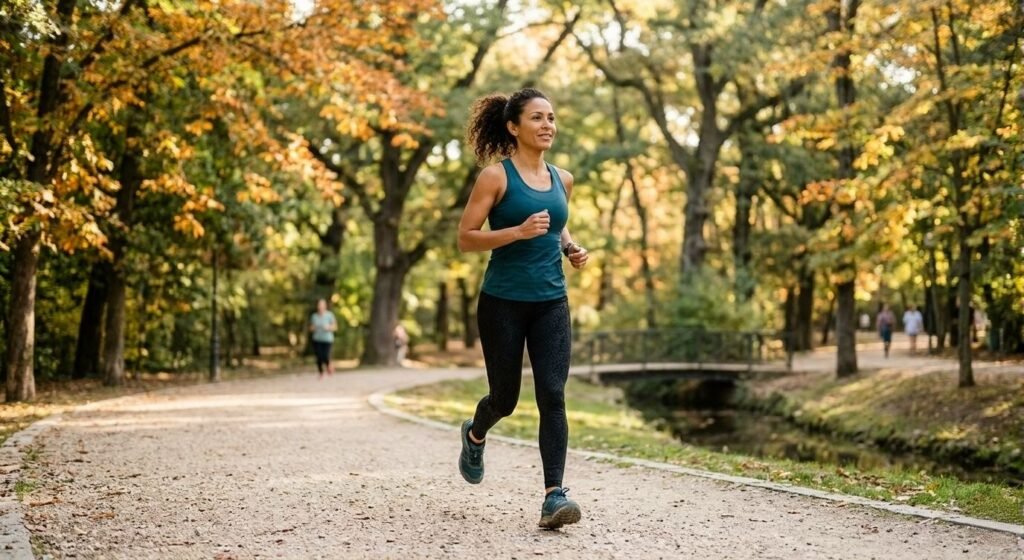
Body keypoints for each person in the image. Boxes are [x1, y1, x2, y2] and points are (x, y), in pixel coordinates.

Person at [455, 87, 589, 530]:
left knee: (552, 393)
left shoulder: (563, 179)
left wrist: (570, 247)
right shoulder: (495, 177)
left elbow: (556, 227)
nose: (547, 125)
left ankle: (554, 496)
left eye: (551, 117)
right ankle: (475, 433)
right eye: (537, 117)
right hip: (503, 303)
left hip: (551, 302)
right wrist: (516, 232)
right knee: (506, 398)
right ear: (513, 127)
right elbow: (466, 238)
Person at [308, 298, 337, 377]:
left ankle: (329, 366)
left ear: (325, 306)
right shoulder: (314, 316)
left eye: (322, 305)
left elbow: (335, 326)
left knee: (325, 356)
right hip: (317, 339)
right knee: (319, 356)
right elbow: (311, 328)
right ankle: (321, 372)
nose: (320, 306)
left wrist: (328, 327)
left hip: (327, 339)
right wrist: (313, 328)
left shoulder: (329, 315)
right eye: (319, 305)